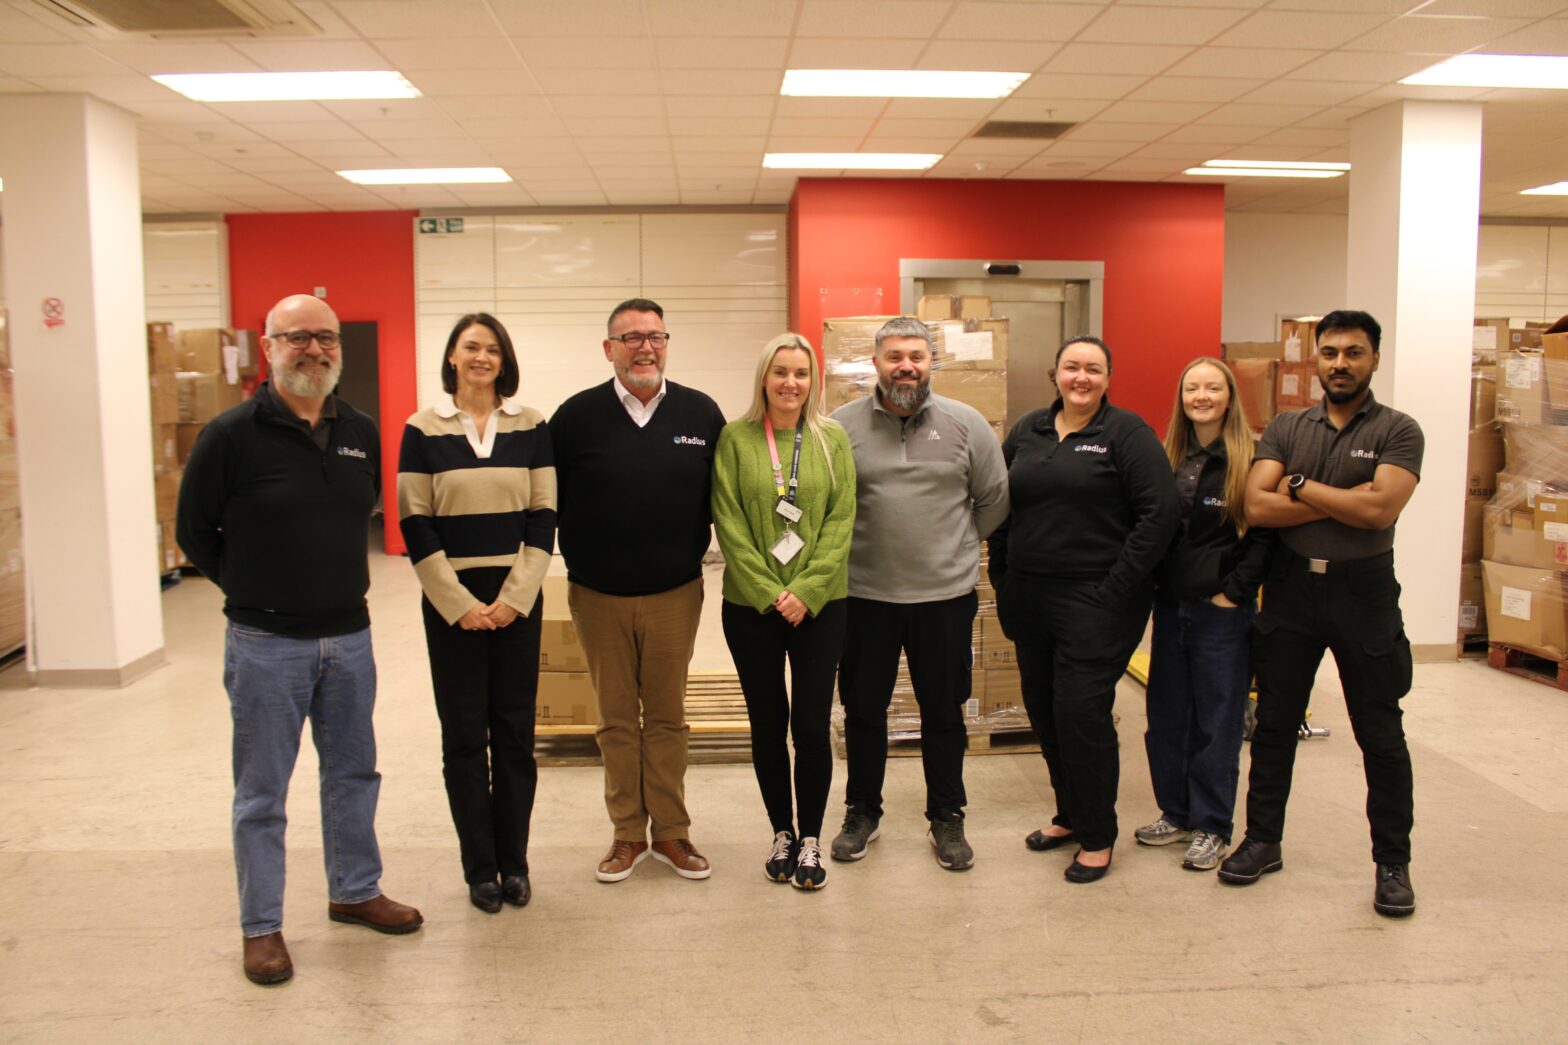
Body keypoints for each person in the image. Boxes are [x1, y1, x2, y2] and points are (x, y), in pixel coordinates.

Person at [176, 293, 422, 987]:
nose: (313, 349)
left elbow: (360, 509)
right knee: (262, 791)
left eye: (325, 337)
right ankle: (262, 927)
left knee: (353, 772)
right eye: (297, 338)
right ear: (268, 347)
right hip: (264, 642)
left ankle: (354, 889)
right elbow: (194, 533)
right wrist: (252, 589)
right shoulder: (230, 434)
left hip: (349, 636)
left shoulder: (361, 428)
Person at [1218, 310, 1423, 918]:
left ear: (1374, 359)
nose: (1340, 364)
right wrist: (1343, 499)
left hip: (1364, 595)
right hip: (1291, 593)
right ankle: (1262, 841)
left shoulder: (1398, 429)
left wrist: (1300, 489)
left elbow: (1381, 511)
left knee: (1380, 734)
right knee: (1276, 724)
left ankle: (1392, 863)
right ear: (1316, 358)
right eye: (1330, 353)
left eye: (1353, 353)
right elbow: (1256, 505)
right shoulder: (1286, 426)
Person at [549, 298, 727, 883]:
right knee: (616, 720)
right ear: (609, 349)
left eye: (654, 336)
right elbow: (545, 501)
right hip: (597, 596)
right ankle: (627, 834)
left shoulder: (701, 415)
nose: (644, 347)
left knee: (669, 719)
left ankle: (672, 832)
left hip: (676, 593)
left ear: (667, 344)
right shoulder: (574, 418)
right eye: (631, 338)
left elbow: (727, 501)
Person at [989, 335, 1179, 884]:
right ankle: (1069, 815)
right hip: (1030, 597)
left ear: (1107, 378)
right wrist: (1002, 573)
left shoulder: (1126, 434)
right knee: (1044, 710)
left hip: (1097, 601)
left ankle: (1098, 835)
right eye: (1072, 367)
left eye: (1093, 369)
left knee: (1081, 713)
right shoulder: (1029, 429)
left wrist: (1117, 585)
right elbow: (1000, 503)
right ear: (1056, 373)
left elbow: (1159, 514)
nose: (1081, 378)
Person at [830, 316, 1010, 871]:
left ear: (932, 362)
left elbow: (994, 499)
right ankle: (862, 812)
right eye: (893, 356)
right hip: (864, 597)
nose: (905, 365)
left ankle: (947, 816)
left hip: (945, 599)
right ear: (876, 364)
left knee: (944, 713)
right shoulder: (839, 427)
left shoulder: (967, 424)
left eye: (917, 356)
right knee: (863, 710)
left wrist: (952, 547)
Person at [397, 313, 555, 914]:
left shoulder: (532, 424)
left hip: (517, 602)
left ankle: (514, 863)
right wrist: (459, 605)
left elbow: (544, 515)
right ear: (453, 359)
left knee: (514, 736)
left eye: (492, 349)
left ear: (504, 360)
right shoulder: (422, 428)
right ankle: (479, 870)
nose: (481, 357)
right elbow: (415, 521)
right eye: (471, 347)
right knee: (464, 738)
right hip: (451, 607)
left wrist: (514, 599)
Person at [712, 334, 856, 890]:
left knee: (812, 724)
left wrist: (808, 590)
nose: (790, 383)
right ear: (763, 378)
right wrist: (772, 591)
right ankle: (782, 830)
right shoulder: (736, 438)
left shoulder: (832, 439)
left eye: (800, 373)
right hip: (752, 606)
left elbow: (842, 520)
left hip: (822, 606)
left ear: (811, 379)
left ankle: (813, 838)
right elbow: (728, 520)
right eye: (780, 372)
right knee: (768, 724)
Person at [1136, 358, 1273, 872]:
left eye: (1212, 387)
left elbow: (1262, 539)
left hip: (1222, 613)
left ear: (1230, 395)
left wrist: (1234, 594)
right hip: (1170, 606)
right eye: (1192, 387)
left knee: (1217, 720)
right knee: (1167, 716)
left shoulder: (1250, 458)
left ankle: (1212, 825)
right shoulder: (1167, 455)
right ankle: (1176, 810)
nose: (1202, 396)